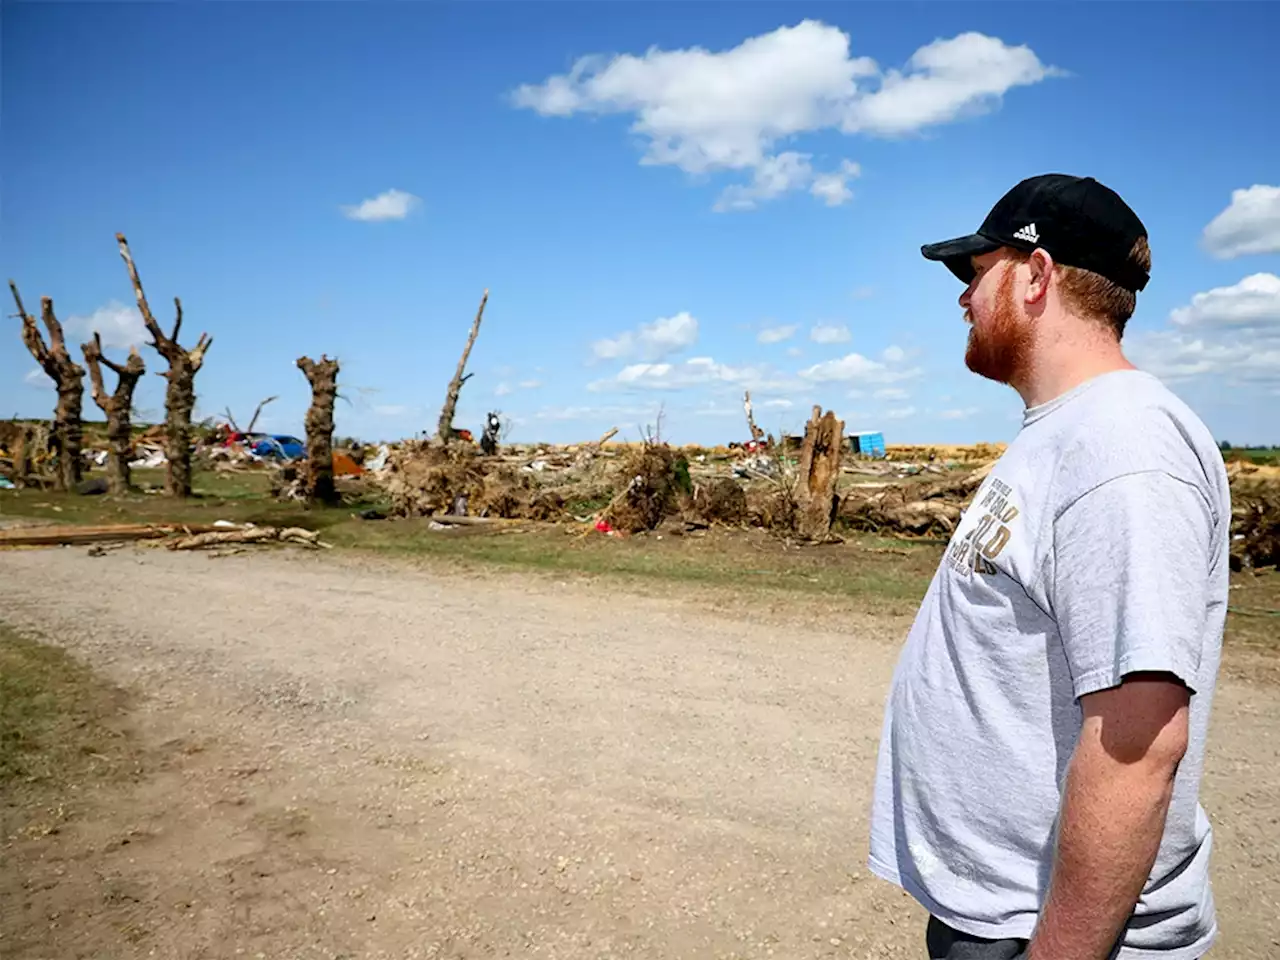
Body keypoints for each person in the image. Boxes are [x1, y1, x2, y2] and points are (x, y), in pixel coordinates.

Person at [868, 174, 1230, 960]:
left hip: (1045, 933)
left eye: (976, 272)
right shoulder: (1067, 431)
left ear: (1035, 274)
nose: (963, 297)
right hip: (1003, 913)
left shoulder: (1123, 450)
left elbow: (1138, 746)